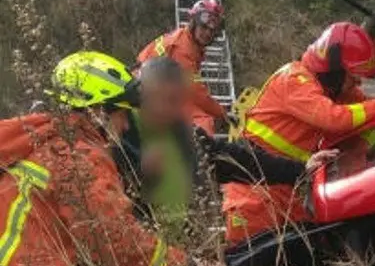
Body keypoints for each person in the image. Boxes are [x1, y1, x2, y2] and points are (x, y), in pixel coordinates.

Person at [0, 51, 221, 266]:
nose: (126, 126)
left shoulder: (43, 142)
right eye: (121, 114)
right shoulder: (80, 156)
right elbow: (118, 241)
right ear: (97, 112)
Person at [222, 21, 375, 246]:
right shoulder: (295, 80)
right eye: (352, 76)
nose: (356, 83)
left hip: (287, 185)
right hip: (254, 188)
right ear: (333, 70)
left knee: (304, 258)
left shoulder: (333, 89)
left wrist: (359, 149)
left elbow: (370, 117)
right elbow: (334, 118)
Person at [113, 56, 323, 242]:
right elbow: (112, 219)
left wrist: (301, 170)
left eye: (174, 101)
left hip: (183, 252)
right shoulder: (116, 137)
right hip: (144, 258)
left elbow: (237, 159)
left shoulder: (181, 133)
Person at [136, 0, 227, 135]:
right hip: (146, 91)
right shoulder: (183, 49)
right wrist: (221, 113)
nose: (208, 33)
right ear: (193, 22)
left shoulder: (185, 39)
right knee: (203, 122)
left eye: (212, 31)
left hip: (153, 85)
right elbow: (195, 93)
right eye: (204, 27)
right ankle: (197, 156)